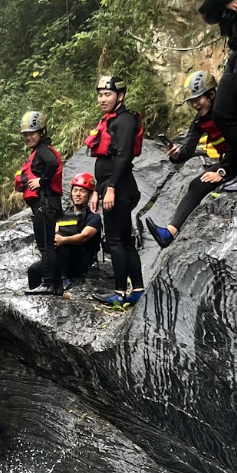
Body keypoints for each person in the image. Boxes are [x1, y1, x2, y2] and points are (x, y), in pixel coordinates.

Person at [146, 71, 235, 248]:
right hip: (232, 162)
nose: (195, 104)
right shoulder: (200, 120)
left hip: (232, 160)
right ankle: (169, 233)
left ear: (212, 94)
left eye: (198, 99)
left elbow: (236, 139)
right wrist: (176, 155)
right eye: (192, 101)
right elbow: (187, 150)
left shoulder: (228, 109)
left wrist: (222, 171)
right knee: (196, 184)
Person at [85, 75, 145, 309]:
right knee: (125, 241)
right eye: (100, 95)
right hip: (112, 187)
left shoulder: (125, 121)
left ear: (120, 96)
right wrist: (98, 190)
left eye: (107, 94)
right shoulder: (111, 120)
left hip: (119, 188)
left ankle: (120, 292)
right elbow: (105, 159)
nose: (102, 99)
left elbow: (123, 156)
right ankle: (137, 289)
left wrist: (110, 188)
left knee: (116, 241)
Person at [14, 111, 63, 295]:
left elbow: (53, 164)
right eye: (25, 134)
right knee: (48, 244)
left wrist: (41, 181)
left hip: (45, 203)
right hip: (47, 204)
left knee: (46, 245)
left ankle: (49, 283)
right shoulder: (40, 150)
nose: (28, 137)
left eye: (32, 133)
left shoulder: (42, 150)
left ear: (42, 132)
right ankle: (56, 285)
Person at [199, 0, 237, 158]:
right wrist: (224, 2)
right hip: (235, 53)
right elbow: (207, 13)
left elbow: (210, 1)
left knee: (225, 113)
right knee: (222, 114)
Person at [27, 172, 101, 292]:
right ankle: (38, 293)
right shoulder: (65, 213)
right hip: (60, 257)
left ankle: (64, 278)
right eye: (75, 190)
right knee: (34, 270)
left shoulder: (93, 216)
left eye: (82, 191)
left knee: (63, 243)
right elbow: (55, 229)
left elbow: (85, 236)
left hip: (80, 258)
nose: (78, 194)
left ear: (89, 194)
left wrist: (64, 240)